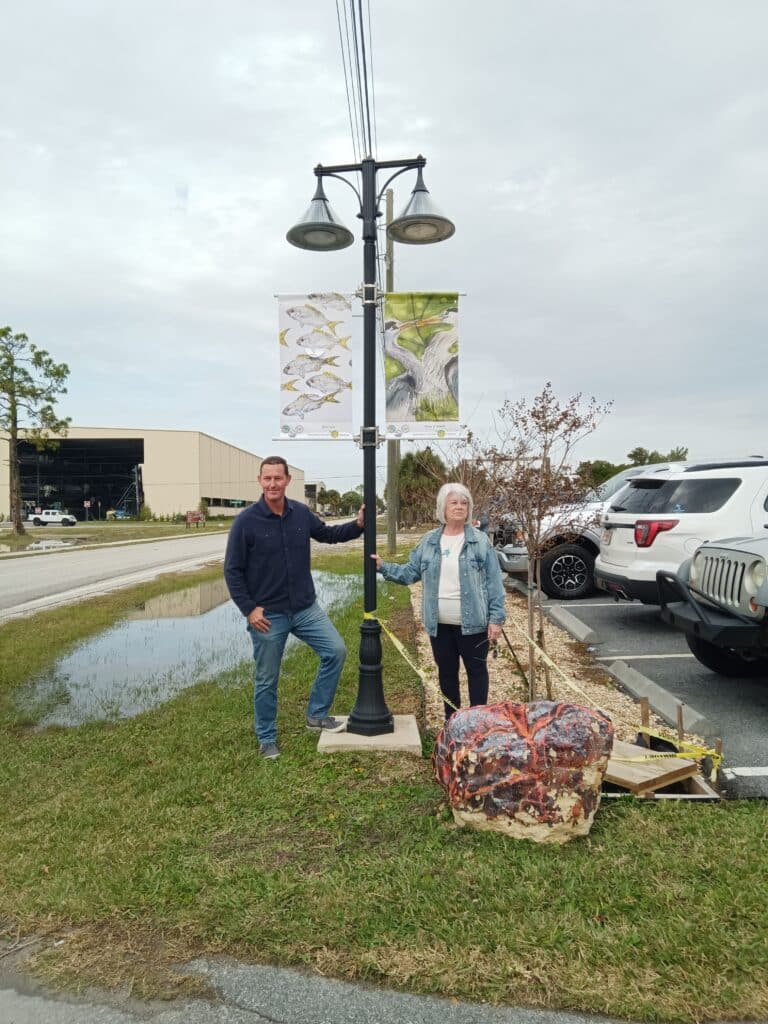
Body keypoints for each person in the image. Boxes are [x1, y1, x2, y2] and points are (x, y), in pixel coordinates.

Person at [224, 455, 364, 760]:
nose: (272, 484)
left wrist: (357, 525)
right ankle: (266, 737)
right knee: (267, 678)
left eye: (278, 478)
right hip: (268, 615)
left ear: (287, 480)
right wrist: (249, 609)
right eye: (267, 478)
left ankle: (316, 714)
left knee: (335, 651)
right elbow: (232, 570)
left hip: (304, 608)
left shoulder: (300, 514)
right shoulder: (246, 522)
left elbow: (327, 534)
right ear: (260, 481)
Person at [371, 482, 505, 720]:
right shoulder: (429, 541)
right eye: (454, 502)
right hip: (439, 625)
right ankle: (452, 723)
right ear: (442, 508)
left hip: (474, 624)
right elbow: (411, 572)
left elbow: (494, 582)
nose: (459, 507)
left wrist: (496, 619)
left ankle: (477, 725)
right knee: (447, 674)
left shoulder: (480, 541)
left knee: (476, 672)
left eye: (464, 503)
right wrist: (383, 567)